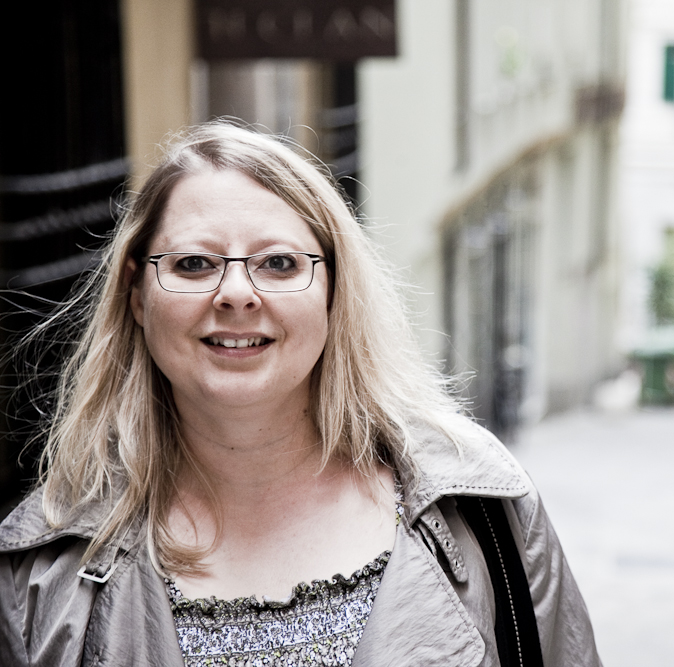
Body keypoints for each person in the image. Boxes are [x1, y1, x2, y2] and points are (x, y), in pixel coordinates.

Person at [0, 123, 600, 666]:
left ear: (333, 290)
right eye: (194, 263)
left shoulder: (480, 509)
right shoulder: (39, 576)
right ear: (137, 294)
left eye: (280, 263)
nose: (236, 293)